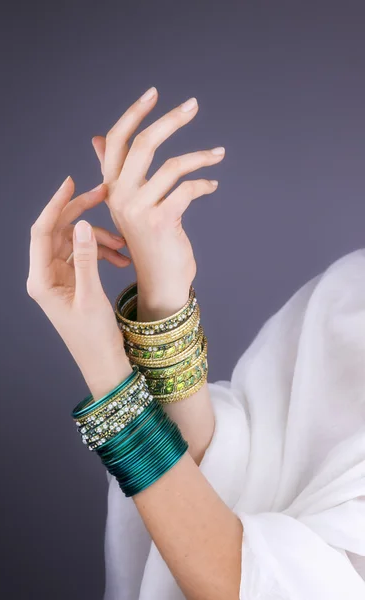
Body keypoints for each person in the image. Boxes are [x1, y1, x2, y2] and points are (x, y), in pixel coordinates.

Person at [27, 87, 365, 600]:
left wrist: (108, 369)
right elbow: (232, 469)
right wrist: (164, 302)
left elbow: (253, 583)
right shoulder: (350, 289)